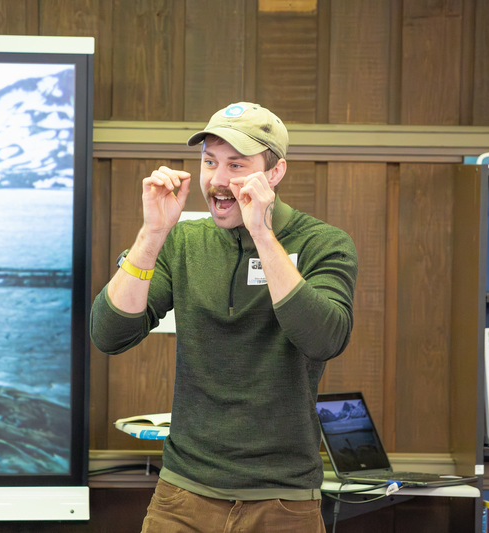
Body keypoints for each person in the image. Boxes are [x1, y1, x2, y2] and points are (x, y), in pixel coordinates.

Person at [90, 102, 358, 533]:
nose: (217, 180)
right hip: (182, 494)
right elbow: (108, 334)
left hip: (284, 500)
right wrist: (152, 235)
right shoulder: (182, 243)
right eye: (209, 162)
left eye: (236, 165)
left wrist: (262, 235)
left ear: (274, 173)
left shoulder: (323, 244)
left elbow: (325, 338)